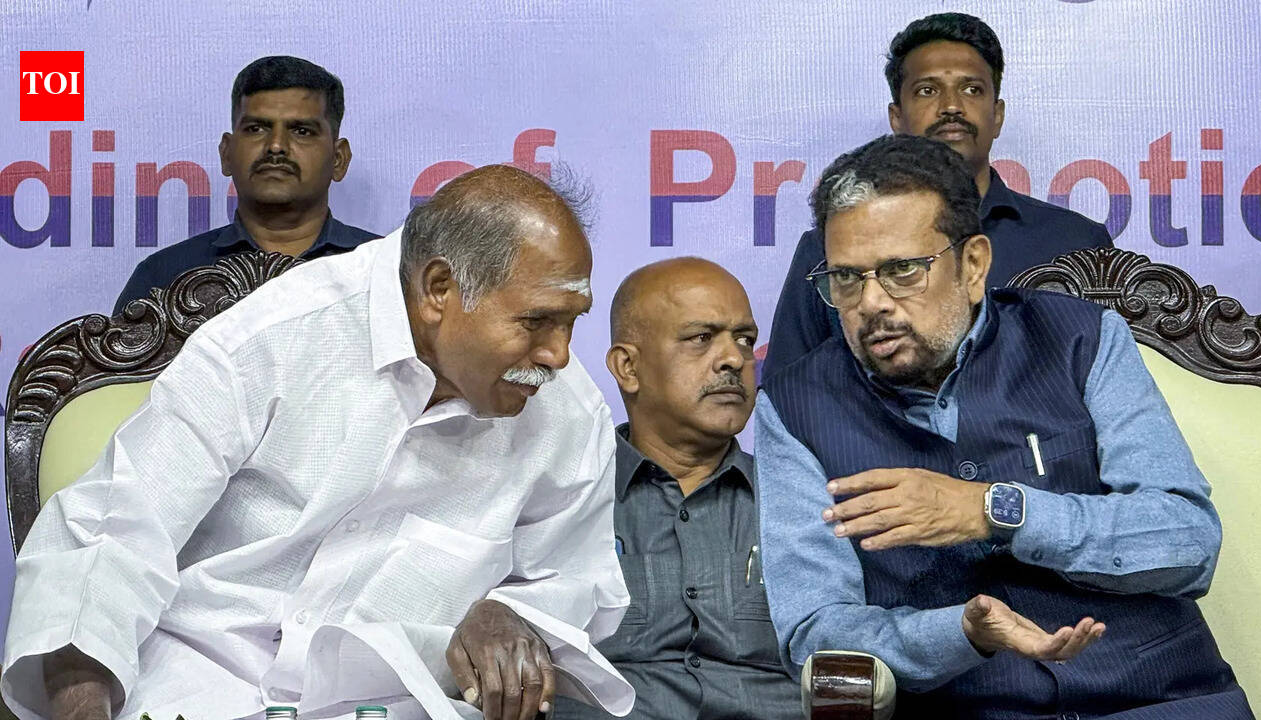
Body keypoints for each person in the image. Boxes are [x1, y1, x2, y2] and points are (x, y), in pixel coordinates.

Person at [3, 166, 634, 720]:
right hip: (200, 685)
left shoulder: (567, 411)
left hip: (400, 702)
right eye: (536, 322)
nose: (558, 355)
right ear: (440, 290)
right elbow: (110, 539)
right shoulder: (271, 340)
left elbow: (578, 580)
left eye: (571, 322)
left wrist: (513, 612)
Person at [755, 135, 1252, 718]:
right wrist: (958, 634)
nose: (871, 303)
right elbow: (815, 633)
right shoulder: (794, 407)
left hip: (1157, 697)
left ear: (972, 265)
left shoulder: (1081, 339)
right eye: (846, 278)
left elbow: (1189, 540)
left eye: (901, 271)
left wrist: (997, 509)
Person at [763, 13, 1113, 379]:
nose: (951, 106)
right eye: (927, 90)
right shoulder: (828, 249)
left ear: (997, 116)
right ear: (897, 119)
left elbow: (1108, 384)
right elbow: (788, 393)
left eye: (972, 89)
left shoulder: (1075, 241)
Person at [555, 259, 803, 720]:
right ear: (628, 367)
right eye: (701, 338)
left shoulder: (798, 497)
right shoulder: (564, 496)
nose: (734, 359)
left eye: (745, 340)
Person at [113, 55, 378, 314]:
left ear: (338, 159)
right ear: (226, 153)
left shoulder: (386, 269)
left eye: (302, 131)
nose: (276, 146)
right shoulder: (163, 277)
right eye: (256, 129)